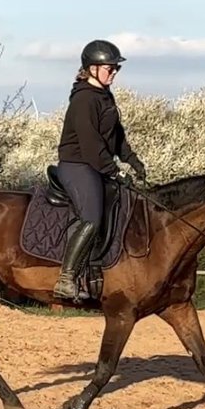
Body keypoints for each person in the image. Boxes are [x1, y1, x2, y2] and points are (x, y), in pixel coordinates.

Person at [52, 38, 147, 300]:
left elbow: (116, 135)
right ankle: (66, 278)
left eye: (117, 68)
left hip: (95, 165)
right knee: (92, 218)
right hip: (78, 165)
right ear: (92, 69)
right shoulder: (84, 100)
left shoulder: (105, 96)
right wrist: (114, 171)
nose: (114, 73)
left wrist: (133, 160)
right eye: (110, 68)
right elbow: (91, 144)